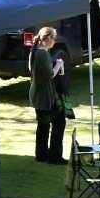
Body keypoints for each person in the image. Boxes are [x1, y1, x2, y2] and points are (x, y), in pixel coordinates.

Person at [28, 26, 67, 164]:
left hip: (38, 94)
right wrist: (59, 64)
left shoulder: (34, 51)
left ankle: (41, 155)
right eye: (54, 38)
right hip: (44, 96)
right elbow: (49, 75)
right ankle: (55, 156)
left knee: (43, 126)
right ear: (48, 38)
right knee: (59, 122)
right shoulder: (42, 53)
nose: (54, 42)